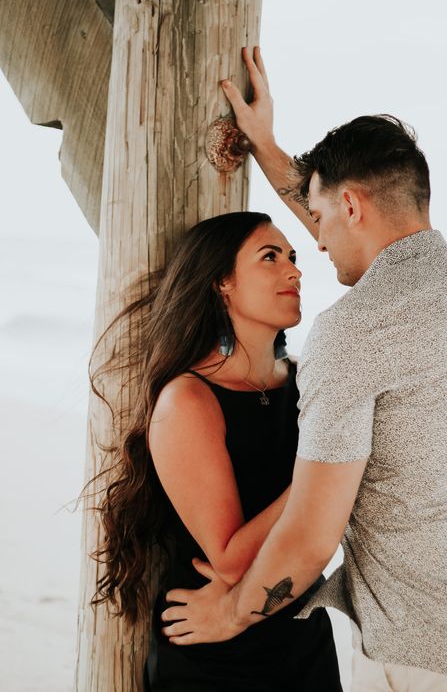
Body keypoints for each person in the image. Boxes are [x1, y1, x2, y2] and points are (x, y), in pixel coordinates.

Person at [162, 48, 447, 692]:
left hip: (419, 654)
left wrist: (228, 613)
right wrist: (267, 147)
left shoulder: (354, 332)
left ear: (352, 206)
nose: (316, 246)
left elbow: (308, 539)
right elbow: (371, 240)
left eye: (323, 218)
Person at [90, 211, 342, 691]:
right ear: (222, 282)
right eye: (270, 257)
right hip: (214, 653)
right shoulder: (189, 399)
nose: (294, 269)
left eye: (292, 256)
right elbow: (229, 558)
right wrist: (324, 478)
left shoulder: (307, 381)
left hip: (303, 635)